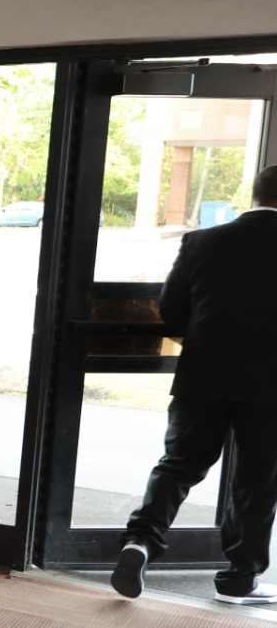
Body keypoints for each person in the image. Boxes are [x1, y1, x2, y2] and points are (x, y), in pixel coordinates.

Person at [113, 162, 277, 604]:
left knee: (178, 465)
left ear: (255, 195)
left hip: (202, 375)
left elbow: (171, 309)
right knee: (257, 479)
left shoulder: (202, 241)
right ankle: (239, 580)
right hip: (269, 387)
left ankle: (140, 541)